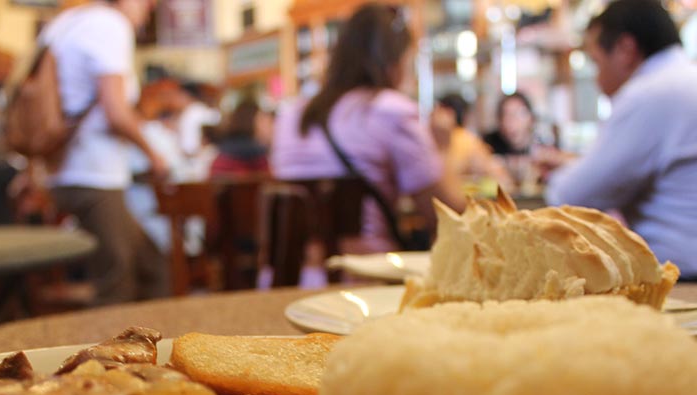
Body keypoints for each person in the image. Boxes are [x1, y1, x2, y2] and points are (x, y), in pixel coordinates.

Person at [542, 0, 697, 282]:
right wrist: (572, 163)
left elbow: (570, 195)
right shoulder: (696, 81)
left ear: (626, 49)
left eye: (596, 62)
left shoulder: (653, 93)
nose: (596, 77)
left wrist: (560, 173)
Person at [271, 2, 466, 254]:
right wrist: (443, 149)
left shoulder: (291, 114)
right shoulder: (391, 110)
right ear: (394, 63)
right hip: (365, 277)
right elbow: (450, 217)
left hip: (290, 279)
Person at [42, 0, 170, 305]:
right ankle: (110, 353)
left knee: (150, 265)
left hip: (61, 171)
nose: (149, 8)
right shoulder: (110, 25)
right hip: (94, 174)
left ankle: (150, 346)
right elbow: (116, 112)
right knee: (117, 282)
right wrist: (154, 154)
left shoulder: (64, 23)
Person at [431, 93, 513, 194]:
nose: (432, 115)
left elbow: (502, 180)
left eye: (437, 109)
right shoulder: (467, 140)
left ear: (449, 113)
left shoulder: (466, 141)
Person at [209, 98, 272, 178]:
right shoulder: (260, 159)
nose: (270, 127)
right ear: (251, 122)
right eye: (262, 120)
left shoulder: (222, 154)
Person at [483, 91, 537, 156]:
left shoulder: (543, 146)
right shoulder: (487, 145)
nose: (512, 121)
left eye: (518, 114)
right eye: (506, 115)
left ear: (531, 119)